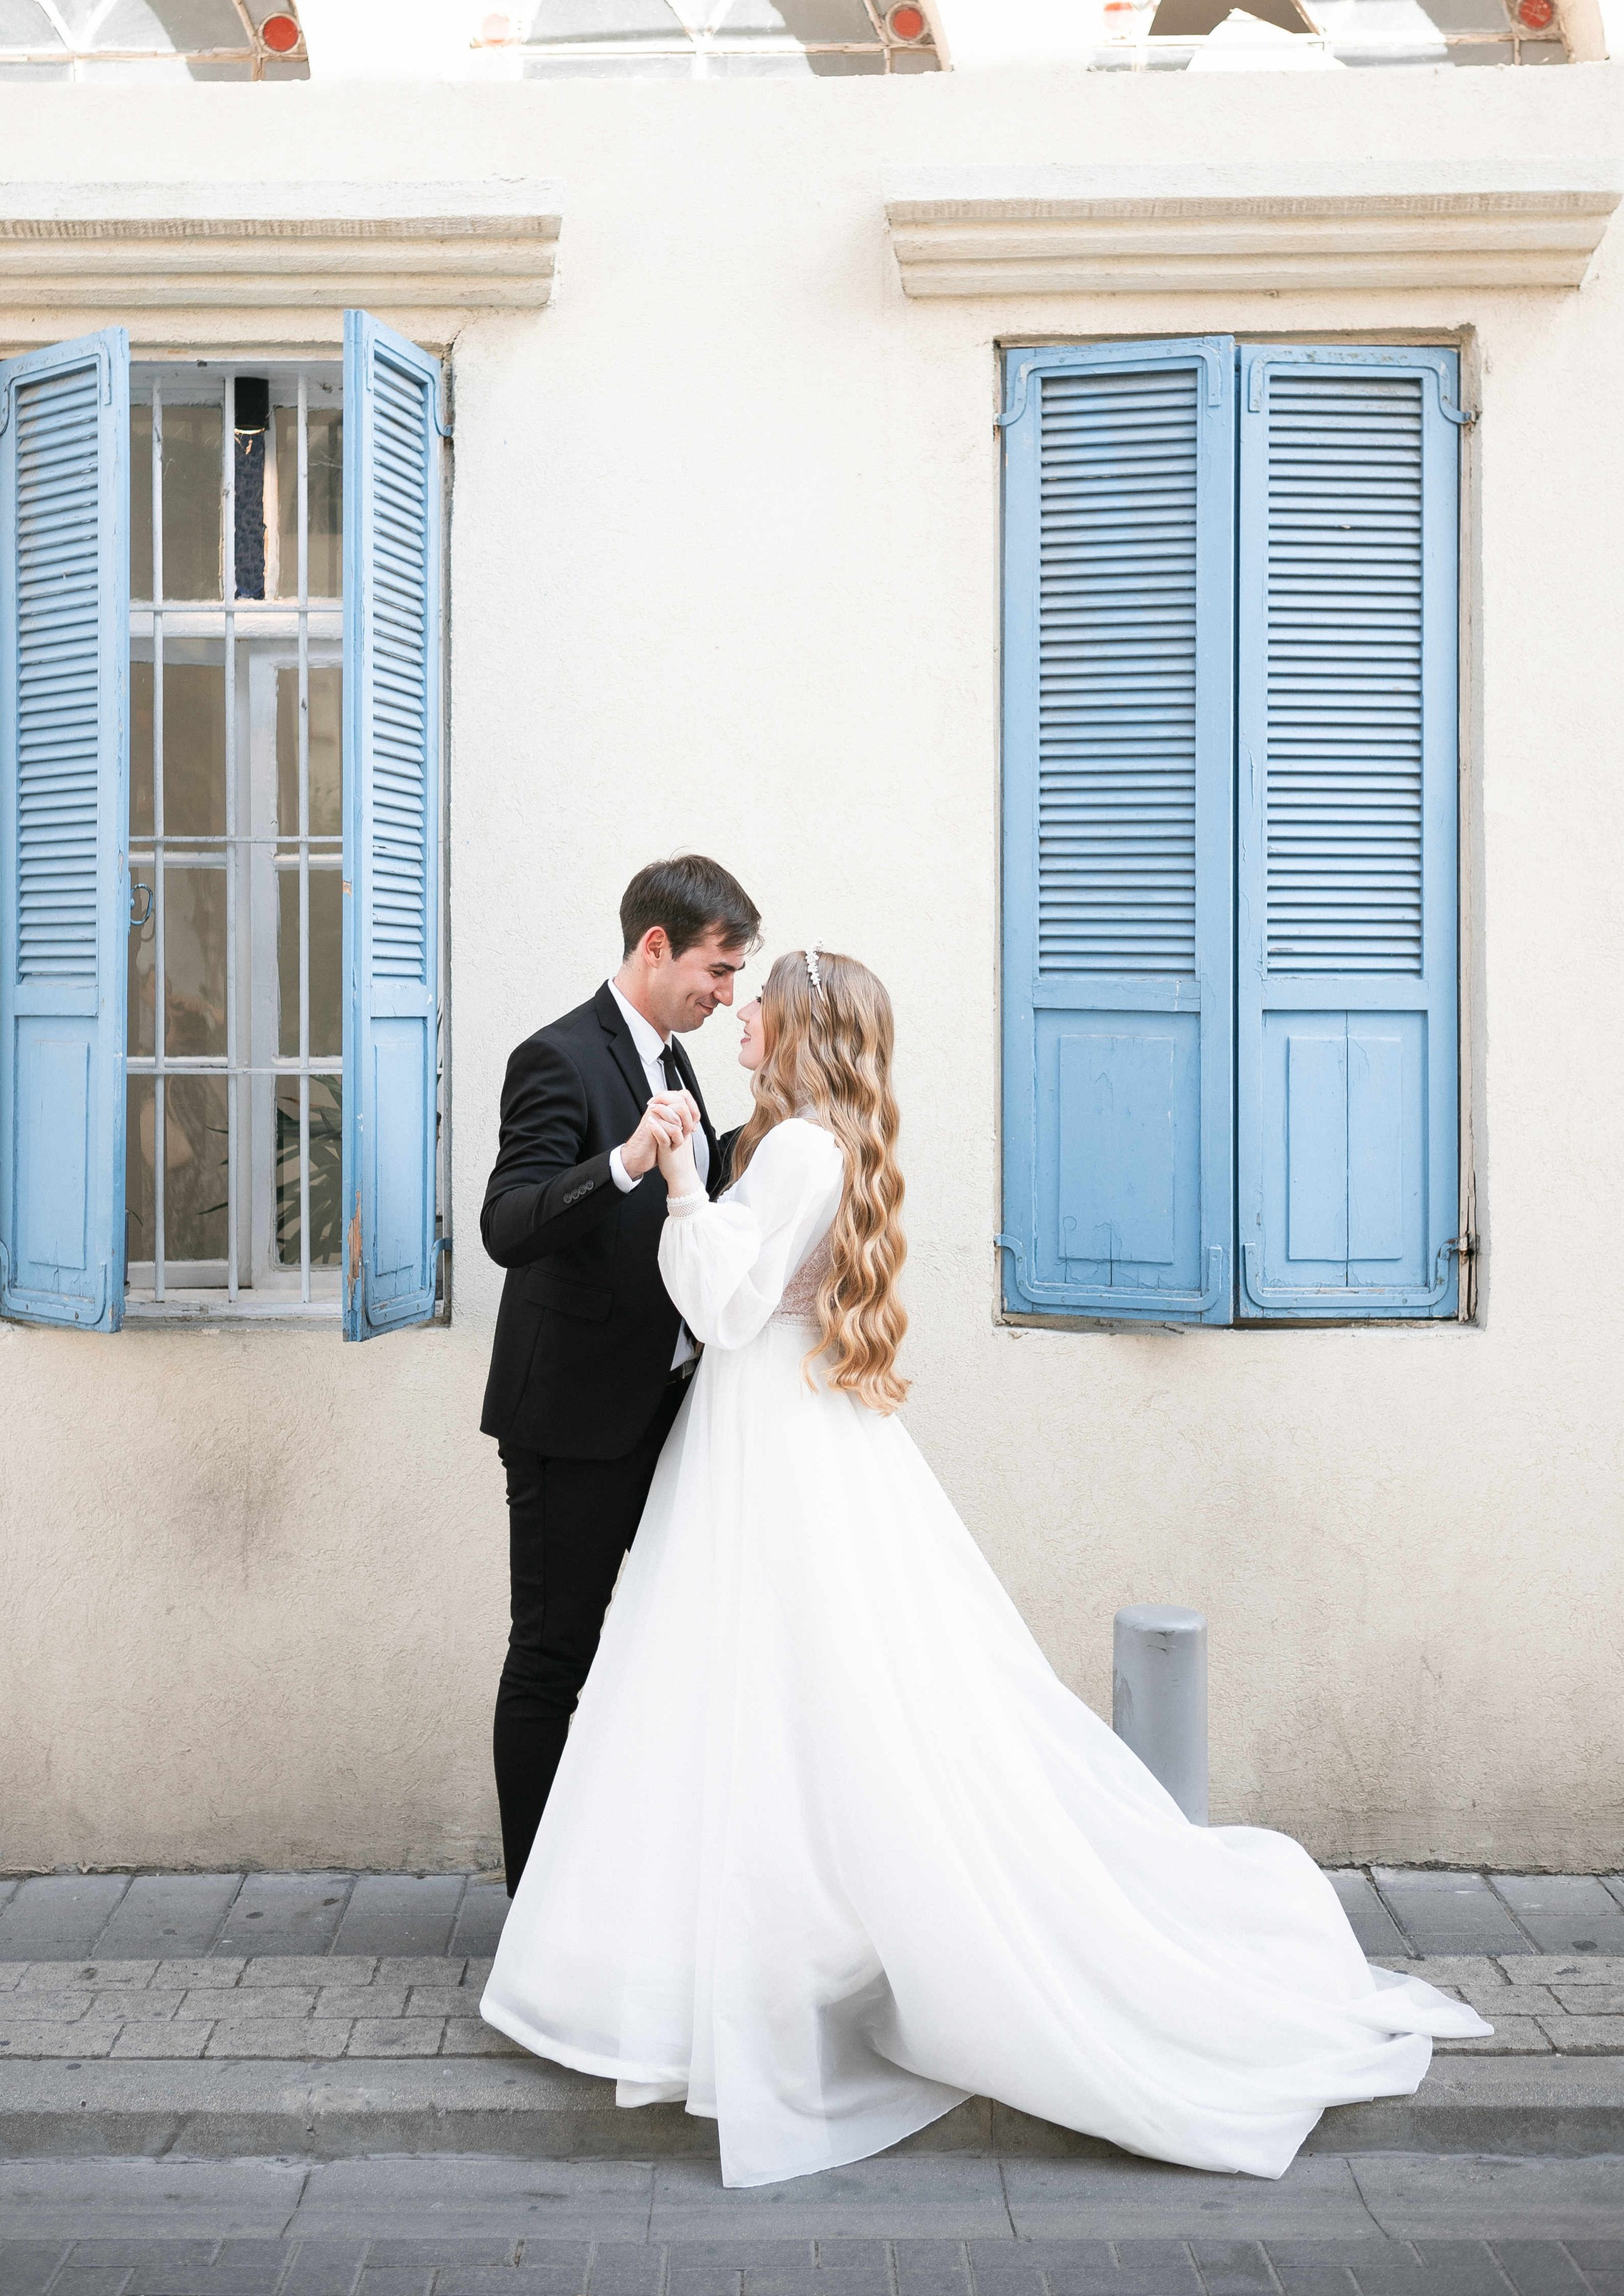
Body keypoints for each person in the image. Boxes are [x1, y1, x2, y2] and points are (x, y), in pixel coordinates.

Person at [481, 946, 1492, 2189]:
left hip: (766, 1439)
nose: (737, 1015)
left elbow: (724, 1310)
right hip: (788, 1432)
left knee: (756, 1689)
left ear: (798, 1032)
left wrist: (683, 1183)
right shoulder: (819, 1143)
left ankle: (744, 1958)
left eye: (759, 1004)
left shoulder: (791, 1151)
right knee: (805, 1694)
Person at [480, 853, 762, 1897]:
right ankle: (537, 1910)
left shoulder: (675, 1059)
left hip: (667, 1408)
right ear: (656, 947)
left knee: (665, 1647)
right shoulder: (556, 1056)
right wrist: (624, 1163)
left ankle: (626, 1890)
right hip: (574, 1417)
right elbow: (508, 1225)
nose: (726, 993)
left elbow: (690, 1191)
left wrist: (775, 1130)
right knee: (555, 1655)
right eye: (717, 969)